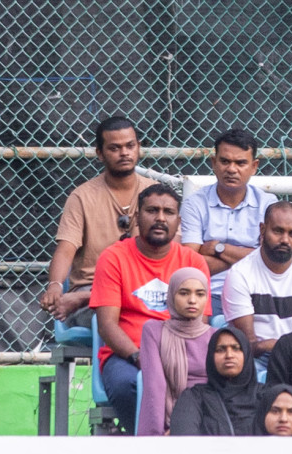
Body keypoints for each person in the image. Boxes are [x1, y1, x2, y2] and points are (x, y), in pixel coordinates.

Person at [90, 184, 210, 434]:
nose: (160, 218)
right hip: (128, 356)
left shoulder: (192, 262)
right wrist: (140, 358)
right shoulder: (113, 258)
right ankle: (146, 444)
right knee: (129, 386)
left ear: (178, 221)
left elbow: (201, 323)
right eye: (152, 211)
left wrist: (174, 363)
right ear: (136, 217)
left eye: (168, 212)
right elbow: (107, 325)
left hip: (182, 355)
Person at [39, 116, 157, 328]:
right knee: (114, 314)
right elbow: (66, 248)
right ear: (100, 154)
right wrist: (55, 286)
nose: (124, 153)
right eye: (114, 148)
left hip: (143, 288)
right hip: (91, 291)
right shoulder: (82, 196)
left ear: (139, 147)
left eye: (130, 146)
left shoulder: (155, 194)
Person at [179, 127, 278, 316]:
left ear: (254, 166)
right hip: (206, 294)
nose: (231, 169)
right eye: (225, 161)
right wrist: (251, 256)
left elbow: (271, 259)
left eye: (240, 163)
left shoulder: (267, 204)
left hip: (255, 292)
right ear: (214, 163)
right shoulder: (195, 204)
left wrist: (218, 248)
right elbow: (190, 265)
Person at [221, 201, 292, 370]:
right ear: (262, 229)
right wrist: (275, 345)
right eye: (278, 231)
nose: (285, 240)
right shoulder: (240, 275)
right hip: (257, 359)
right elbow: (248, 346)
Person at [136, 267, 213, 436]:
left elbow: (218, 391)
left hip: (207, 423)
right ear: (171, 295)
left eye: (200, 294)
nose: (192, 300)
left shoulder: (215, 337)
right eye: (184, 293)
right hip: (166, 422)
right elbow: (155, 386)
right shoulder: (154, 331)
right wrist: (157, 435)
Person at [169, 326, 262, 437]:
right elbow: (185, 441)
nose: (229, 355)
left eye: (236, 348)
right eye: (220, 350)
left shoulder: (265, 395)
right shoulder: (194, 397)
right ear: (211, 357)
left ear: (246, 354)